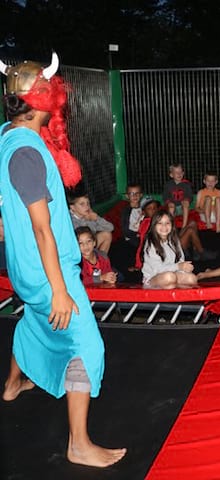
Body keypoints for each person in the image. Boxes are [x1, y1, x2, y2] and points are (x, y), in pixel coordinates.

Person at [0, 53, 126, 466]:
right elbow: (42, 229)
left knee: (36, 322)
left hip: (23, 270)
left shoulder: (7, 137)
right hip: (46, 271)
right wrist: (59, 289)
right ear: (40, 102)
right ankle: (79, 445)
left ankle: (14, 384)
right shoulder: (28, 153)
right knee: (86, 346)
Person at [141, 210, 198, 289]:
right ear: (154, 226)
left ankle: (177, 294)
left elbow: (180, 259)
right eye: (160, 223)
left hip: (173, 273)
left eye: (167, 223)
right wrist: (178, 267)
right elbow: (157, 269)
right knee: (169, 277)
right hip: (153, 277)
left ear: (172, 225)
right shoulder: (151, 243)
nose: (164, 227)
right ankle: (165, 295)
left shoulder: (174, 240)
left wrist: (185, 269)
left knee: (192, 279)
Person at [163, 163, 193, 230]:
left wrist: (187, 200)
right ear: (171, 175)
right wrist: (168, 202)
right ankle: (171, 225)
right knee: (171, 206)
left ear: (183, 173)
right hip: (173, 208)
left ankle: (184, 226)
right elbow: (165, 196)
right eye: (176, 172)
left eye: (180, 172)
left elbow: (190, 195)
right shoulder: (168, 185)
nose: (179, 174)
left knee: (185, 203)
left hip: (182, 207)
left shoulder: (186, 184)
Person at [120, 183, 144, 247]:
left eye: (137, 193)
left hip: (142, 235)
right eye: (131, 194)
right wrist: (137, 234)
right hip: (131, 239)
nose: (135, 196)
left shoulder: (144, 209)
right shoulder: (126, 211)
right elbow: (125, 229)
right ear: (127, 196)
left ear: (141, 195)